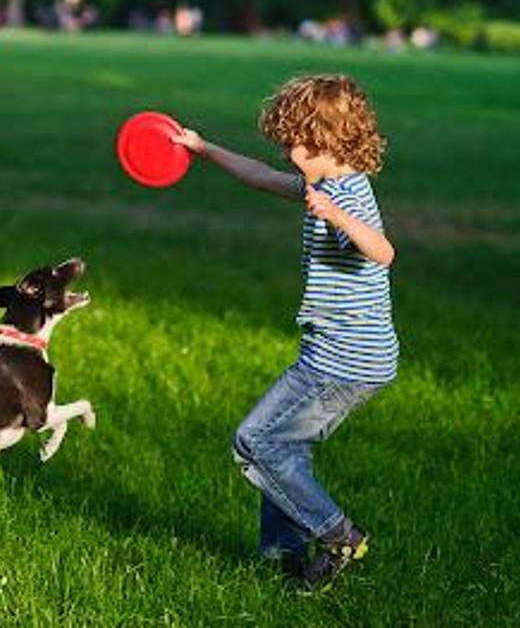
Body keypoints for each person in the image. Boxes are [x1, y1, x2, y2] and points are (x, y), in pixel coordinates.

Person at [171, 74, 399, 593]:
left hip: (344, 360)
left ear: (333, 143)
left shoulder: (348, 197)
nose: (292, 155)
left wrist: (338, 216)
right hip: (346, 354)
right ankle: (284, 558)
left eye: (300, 144)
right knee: (286, 447)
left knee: (254, 442)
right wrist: (203, 149)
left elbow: (384, 252)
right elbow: (260, 176)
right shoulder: (325, 182)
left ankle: (339, 535)